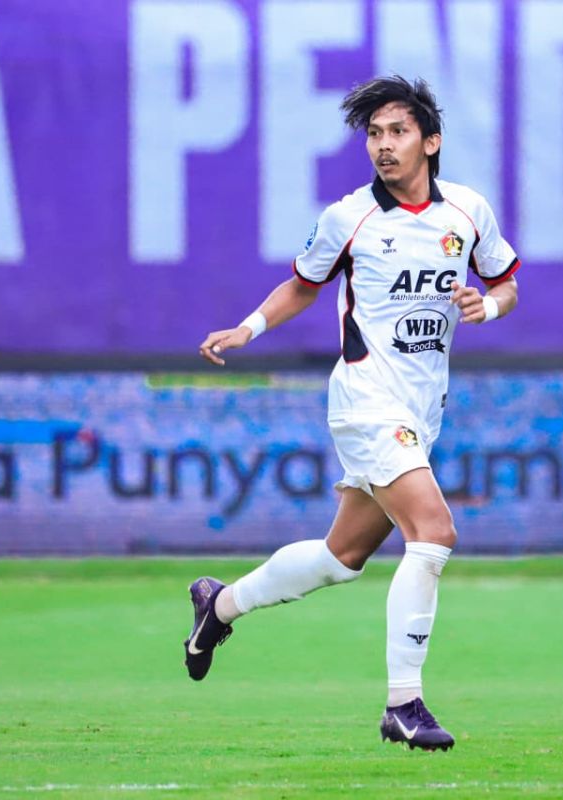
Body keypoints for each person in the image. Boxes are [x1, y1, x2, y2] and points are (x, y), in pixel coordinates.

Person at [185, 75, 520, 752]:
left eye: (398, 132)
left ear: (431, 141)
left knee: (342, 556)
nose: (383, 145)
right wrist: (248, 328)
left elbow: (506, 281)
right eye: (374, 134)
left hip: (422, 409)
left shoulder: (467, 211)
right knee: (434, 531)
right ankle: (403, 705)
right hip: (366, 399)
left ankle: (218, 604)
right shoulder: (350, 218)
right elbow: (301, 285)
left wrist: (490, 306)